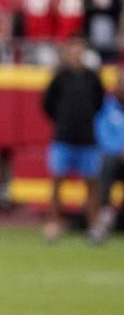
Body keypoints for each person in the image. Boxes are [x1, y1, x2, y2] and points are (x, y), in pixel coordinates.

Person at [42, 38, 104, 242]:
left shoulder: (92, 78)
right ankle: (54, 224)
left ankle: (93, 225)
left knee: (91, 184)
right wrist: (63, 121)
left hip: (87, 138)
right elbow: (48, 104)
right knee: (57, 182)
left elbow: (99, 103)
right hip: (63, 137)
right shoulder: (60, 77)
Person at [90, 70, 124, 244]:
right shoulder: (106, 107)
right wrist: (118, 150)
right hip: (114, 158)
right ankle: (103, 217)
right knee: (106, 165)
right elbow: (102, 133)